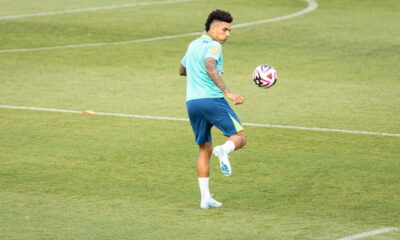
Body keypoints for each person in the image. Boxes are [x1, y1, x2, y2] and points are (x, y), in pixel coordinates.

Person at [179, 9, 246, 209]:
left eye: (229, 31)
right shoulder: (214, 45)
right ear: (213, 28)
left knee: (204, 149)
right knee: (239, 137)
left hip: (192, 103)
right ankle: (223, 151)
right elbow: (209, 67)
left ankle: (205, 198)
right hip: (212, 100)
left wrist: (207, 71)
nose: (227, 34)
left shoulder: (193, 45)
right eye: (225, 30)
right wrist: (228, 92)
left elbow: (182, 70)